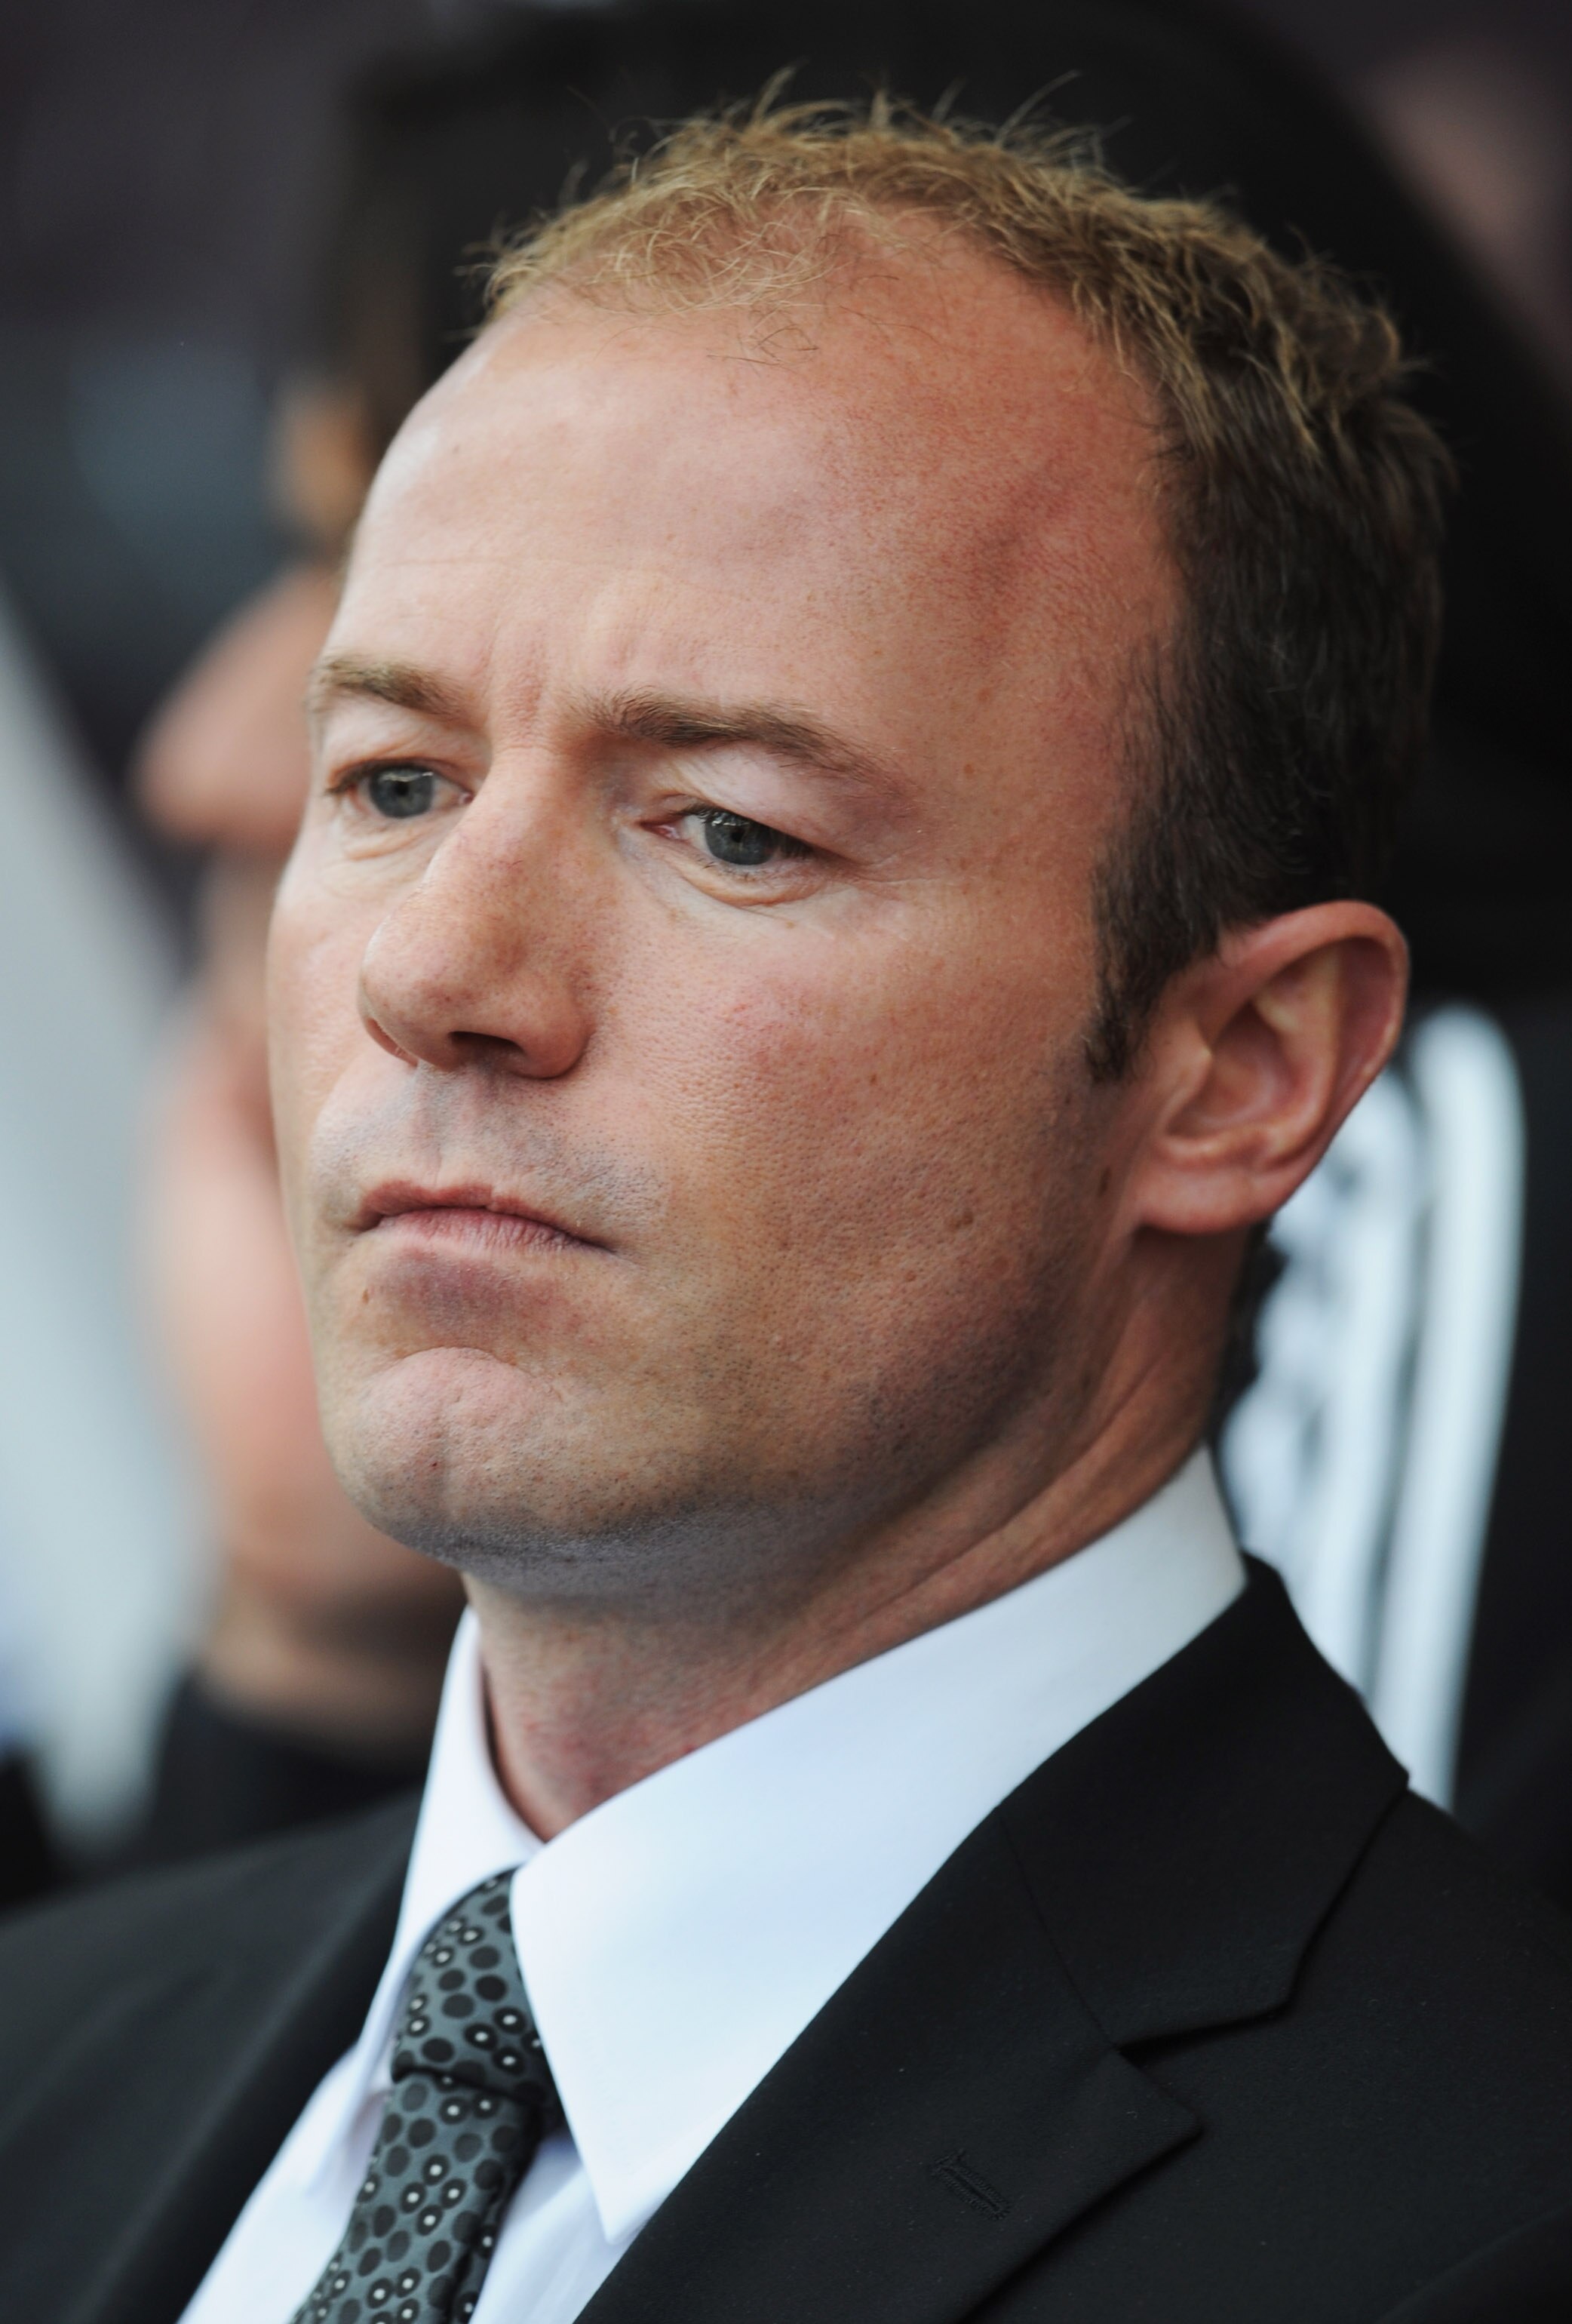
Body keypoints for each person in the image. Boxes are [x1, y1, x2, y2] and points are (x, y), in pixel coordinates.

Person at [5, 102, 1572, 2324]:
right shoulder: (50, 2074)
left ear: (1239, 1073)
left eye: (727, 831)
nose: (436, 972)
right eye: (394, 784)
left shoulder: (1480, 2230)